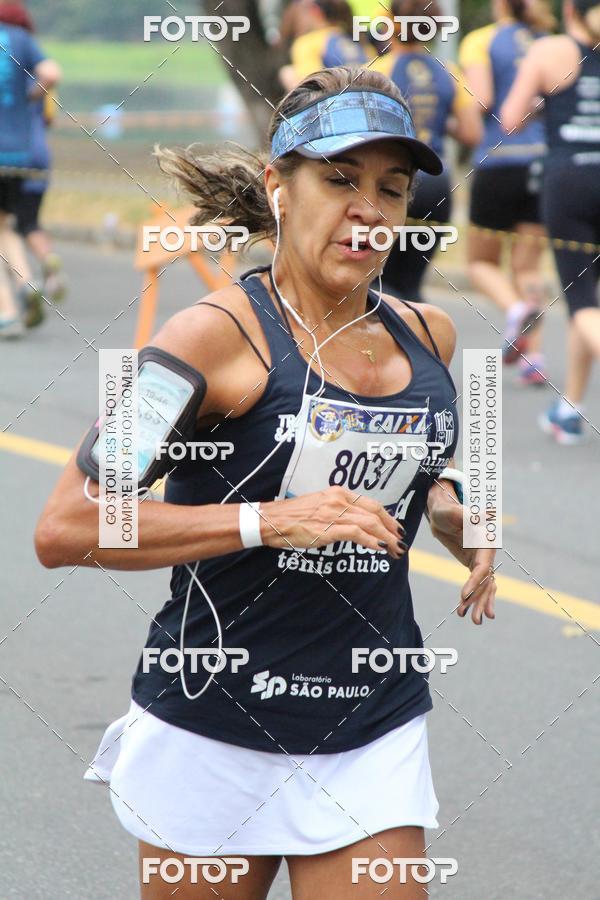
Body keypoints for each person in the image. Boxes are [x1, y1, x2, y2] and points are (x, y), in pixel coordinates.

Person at [35, 66, 496, 899]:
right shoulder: (204, 337)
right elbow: (66, 525)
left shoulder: (431, 334)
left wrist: (461, 507)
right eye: (340, 180)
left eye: (391, 190)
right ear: (279, 188)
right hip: (211, 724)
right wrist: (268, 521)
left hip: (369, 722)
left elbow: (438, 465)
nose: (369, 209)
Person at [501, 0, 600, 442]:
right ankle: (570, 407)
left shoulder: (551, 51)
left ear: (570, 10)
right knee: (592, 306)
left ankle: (571, 406)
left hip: (570, 182)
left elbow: (510, 120)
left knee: (580, 302)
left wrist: (545, 104)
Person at [459, 0, 556, 385]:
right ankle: (535, 359)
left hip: (498, 161)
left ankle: (515, 309)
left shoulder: (481, 41)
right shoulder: (548, 41)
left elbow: (481, 99)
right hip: (542, 162)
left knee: (480, 264)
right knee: (529, 267)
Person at [372, 0, 482, 301]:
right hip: (438, 182)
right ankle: (422, 343)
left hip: (395, 183)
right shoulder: (449, 72)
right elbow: (472, 132)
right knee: (410, 285)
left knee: (379, 284)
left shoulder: (379, 71)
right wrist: (434, 121)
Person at [0, 1, 60, 337]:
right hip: (16, 153)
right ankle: (26, 280)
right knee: (5, 225)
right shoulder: (20, 39)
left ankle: (7, 311)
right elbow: (51, 73)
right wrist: (30, 97)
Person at [279, 0, 372, 91]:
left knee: (287, 72)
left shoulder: (308, 42)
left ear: (316, 11)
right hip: (369, 96)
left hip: (337, 101)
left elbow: (311, 84)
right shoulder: (357, 40)